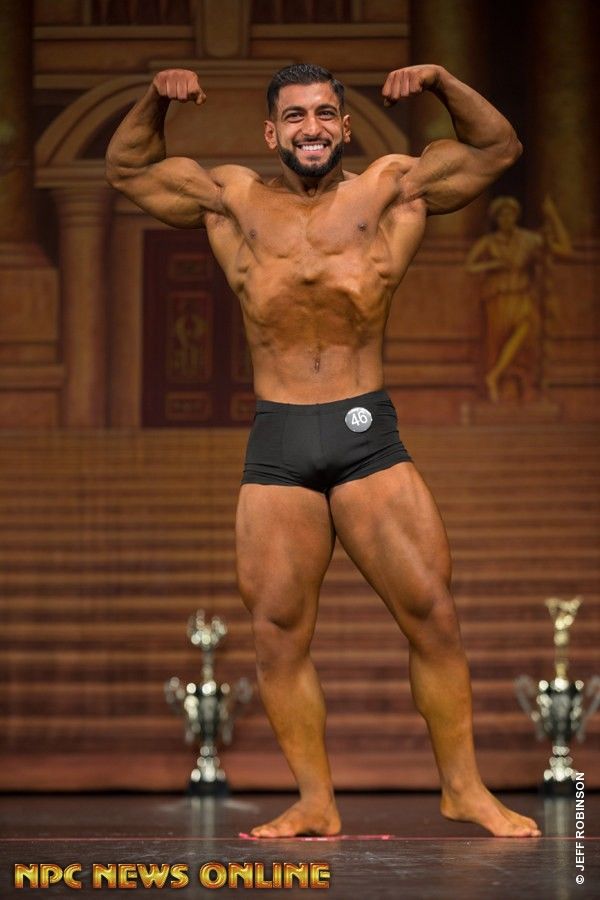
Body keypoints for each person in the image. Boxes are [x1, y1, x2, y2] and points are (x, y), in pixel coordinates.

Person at [106, 62, 541, 838]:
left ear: (344, 125)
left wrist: (441, 81)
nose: (311, 127)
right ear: (271, 132)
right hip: (279, 440)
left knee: (432, 614)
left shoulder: (391, 189)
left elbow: (497, 148)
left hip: (365, 434)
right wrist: (153, 99)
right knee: (277, 635)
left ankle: (463, 789)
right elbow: (128, 169)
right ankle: (315, 800)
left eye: (323, 114)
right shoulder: (234, 200)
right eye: (295, 116)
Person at [466, 195, 572, 403]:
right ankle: (496, 382)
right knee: (496, 344)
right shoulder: (489, 242)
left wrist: (553, 217)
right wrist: (492, 265)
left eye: (510, 214)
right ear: (496, 219)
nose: (506, 219)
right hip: (497, 299)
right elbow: (469, 266)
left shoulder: (529, 240)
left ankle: (497, 375)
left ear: (516, 216)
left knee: (526, 332)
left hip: (522, 296)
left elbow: (565, 250)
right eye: (502, 215)